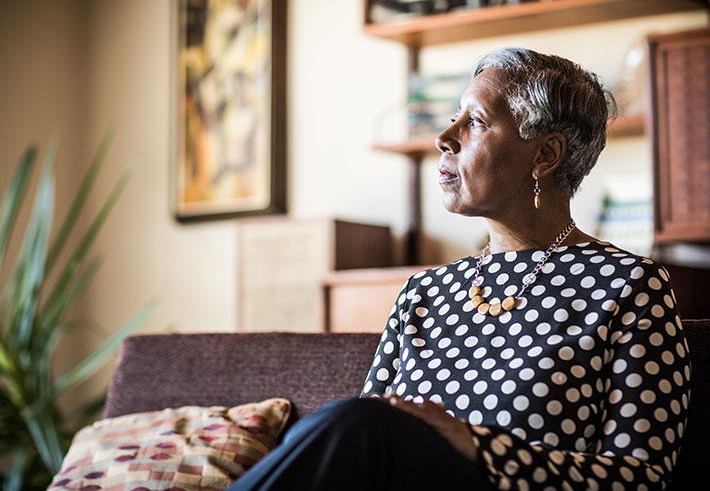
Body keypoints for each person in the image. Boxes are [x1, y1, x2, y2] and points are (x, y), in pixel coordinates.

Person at [227, 48, 690, 490]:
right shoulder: (423, 291)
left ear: (545, 156)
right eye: (454, 119)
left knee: (359, 424)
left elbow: (641, 476)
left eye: (477, 122)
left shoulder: (629, 286)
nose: (444, 138)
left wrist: (476, 445)